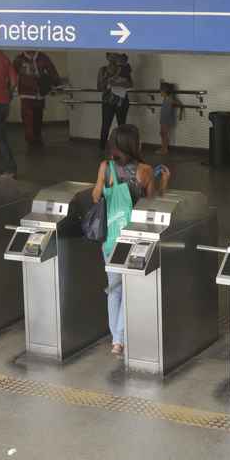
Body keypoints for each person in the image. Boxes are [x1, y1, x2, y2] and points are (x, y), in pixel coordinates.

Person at [91, 125, 164, 356]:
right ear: (135, 144)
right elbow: (153, 200)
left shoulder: (106, 167)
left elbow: (95, 196)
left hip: (111, 238)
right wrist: (162, 182)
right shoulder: (145, 170)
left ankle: (116, 339)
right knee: (129, 287)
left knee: (114, 289)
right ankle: (121, 336)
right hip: (134, 238)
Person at [13, 50, 60, 146]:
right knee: (27, 117)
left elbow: (52, 71)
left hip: (40, 93)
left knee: (38, 117)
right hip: (26, 93)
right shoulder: (19, 59)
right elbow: (12, 74)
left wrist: (56, 84)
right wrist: (9, 88)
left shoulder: (42, 57)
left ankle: (37, 137)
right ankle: (30, 139)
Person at [97, 53, 133, 151]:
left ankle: (122, 147)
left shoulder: (124, 69)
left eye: (115, 56)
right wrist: (108, 81)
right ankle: (102, 147)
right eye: (110, 56)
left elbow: (130, 84)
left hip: (122, 101)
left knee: (122, 126)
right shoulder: (103, 70)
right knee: (105, 125)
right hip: (108, 101)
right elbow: (99, 87)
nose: (113, 58)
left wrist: (120, 83)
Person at [157, 81, 182, 155]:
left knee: (164, 134)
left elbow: (179, 104)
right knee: (162, 133)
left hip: (167, 120)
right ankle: (163, 147)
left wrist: (180, 114)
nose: (160, 92)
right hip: (163, 119)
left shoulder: (169, 99)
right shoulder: (165, 98)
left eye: (161, 91)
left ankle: (165, 149)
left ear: (165, 91)